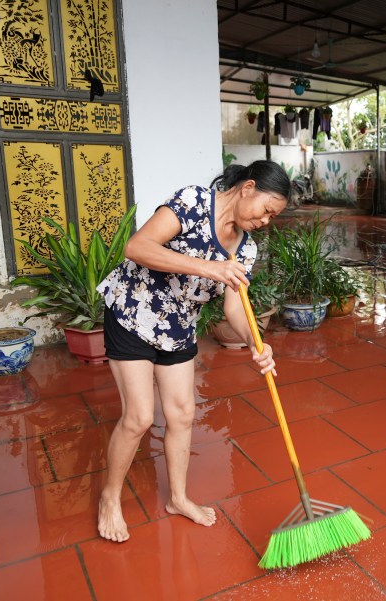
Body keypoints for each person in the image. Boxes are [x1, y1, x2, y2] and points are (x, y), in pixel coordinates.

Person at [95, 160, 290, 542]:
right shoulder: (192, 201)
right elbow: (137, 247)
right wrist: (207, 268)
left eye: (273, 217)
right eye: (266, 210)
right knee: (137, 417)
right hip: (134, 311)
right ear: (248, 187)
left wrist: (255, 342)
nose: (266, 221)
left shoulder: (244, 249)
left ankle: (179, 498)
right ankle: (109, 498)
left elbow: (235, 306)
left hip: (179, 325)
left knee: (182, 414)